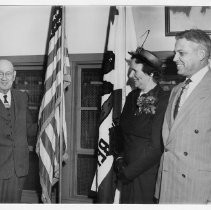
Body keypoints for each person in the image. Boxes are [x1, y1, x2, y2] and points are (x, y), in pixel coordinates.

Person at [155, 29, 211, 204]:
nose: (174, 58)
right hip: (168, 185)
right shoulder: (176, 90)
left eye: (181, 53)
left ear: (201, 54)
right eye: (175, 53)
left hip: (199, 190)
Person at [113, 47, 170, 203]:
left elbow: (156, 147)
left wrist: (128, 172)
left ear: (150, 73)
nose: (130, 76)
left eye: (134, 71)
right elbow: (121, 133)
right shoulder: (132, 96)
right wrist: (119, 159)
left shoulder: (164, 100)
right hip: (125, 173)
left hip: (146, 176)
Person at [0, 59, 37, 203]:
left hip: (18, 169)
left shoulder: (21, 97)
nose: (4, 78)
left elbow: (28, 128)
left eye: (8, 74)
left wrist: (49, 121)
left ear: (14, 76)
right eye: (0, 73)